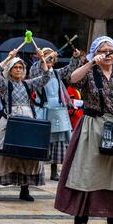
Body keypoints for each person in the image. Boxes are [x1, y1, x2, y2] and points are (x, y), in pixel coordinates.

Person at [55, 36, 113, 224]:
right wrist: (91, 61)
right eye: (103, 49)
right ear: (95, 52)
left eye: (111, 49)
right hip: (94, 127)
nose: (108, 52)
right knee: (87, 173)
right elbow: (72, 79)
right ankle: (80, 223)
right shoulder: (89, 71)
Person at [0, 49, 52, 201]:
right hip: (9, 122)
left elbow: (46, 77)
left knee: (27, 155)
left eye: (21, 67)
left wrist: (43, 60)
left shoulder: (28, 84)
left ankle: (25, 190)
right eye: (15, 67)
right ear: (9, 70)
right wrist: (9, 57)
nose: (18, 70)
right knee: (1, 155)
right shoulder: (5, 84)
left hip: (27, 123)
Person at [29, 48, 82, 181]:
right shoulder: (36, 71)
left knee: (58, 142)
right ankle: (37, 170)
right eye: (47, 56)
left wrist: (75, 58)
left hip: (58, 110)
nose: (50, 58)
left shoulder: (57, 73)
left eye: (52, 56)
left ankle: (54, 171)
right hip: (43, 109)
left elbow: (70, 70)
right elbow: (35, 70)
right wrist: (44, 58)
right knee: (41, 141)